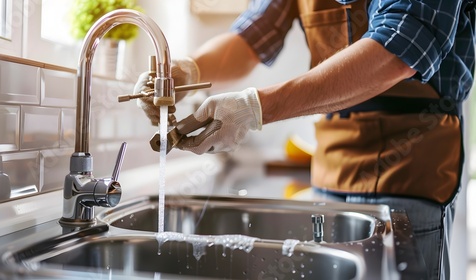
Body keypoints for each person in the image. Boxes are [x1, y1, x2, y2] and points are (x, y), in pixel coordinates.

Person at [134, 1, 475, 279]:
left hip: (411, 172)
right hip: (331, 168)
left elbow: (398, 49)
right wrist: (189, 70)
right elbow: (251, 36)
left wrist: (256, 107)